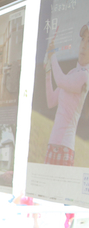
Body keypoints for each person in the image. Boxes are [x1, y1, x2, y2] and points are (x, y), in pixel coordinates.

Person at [43, 22, 89, 166]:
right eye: (83, 39)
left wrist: (53, 56)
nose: (84, 45)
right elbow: (51, 101)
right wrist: (48, 71)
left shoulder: (85, 76)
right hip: (52, 144)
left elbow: (61, 81)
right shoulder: (72, 73)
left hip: (65, 148)